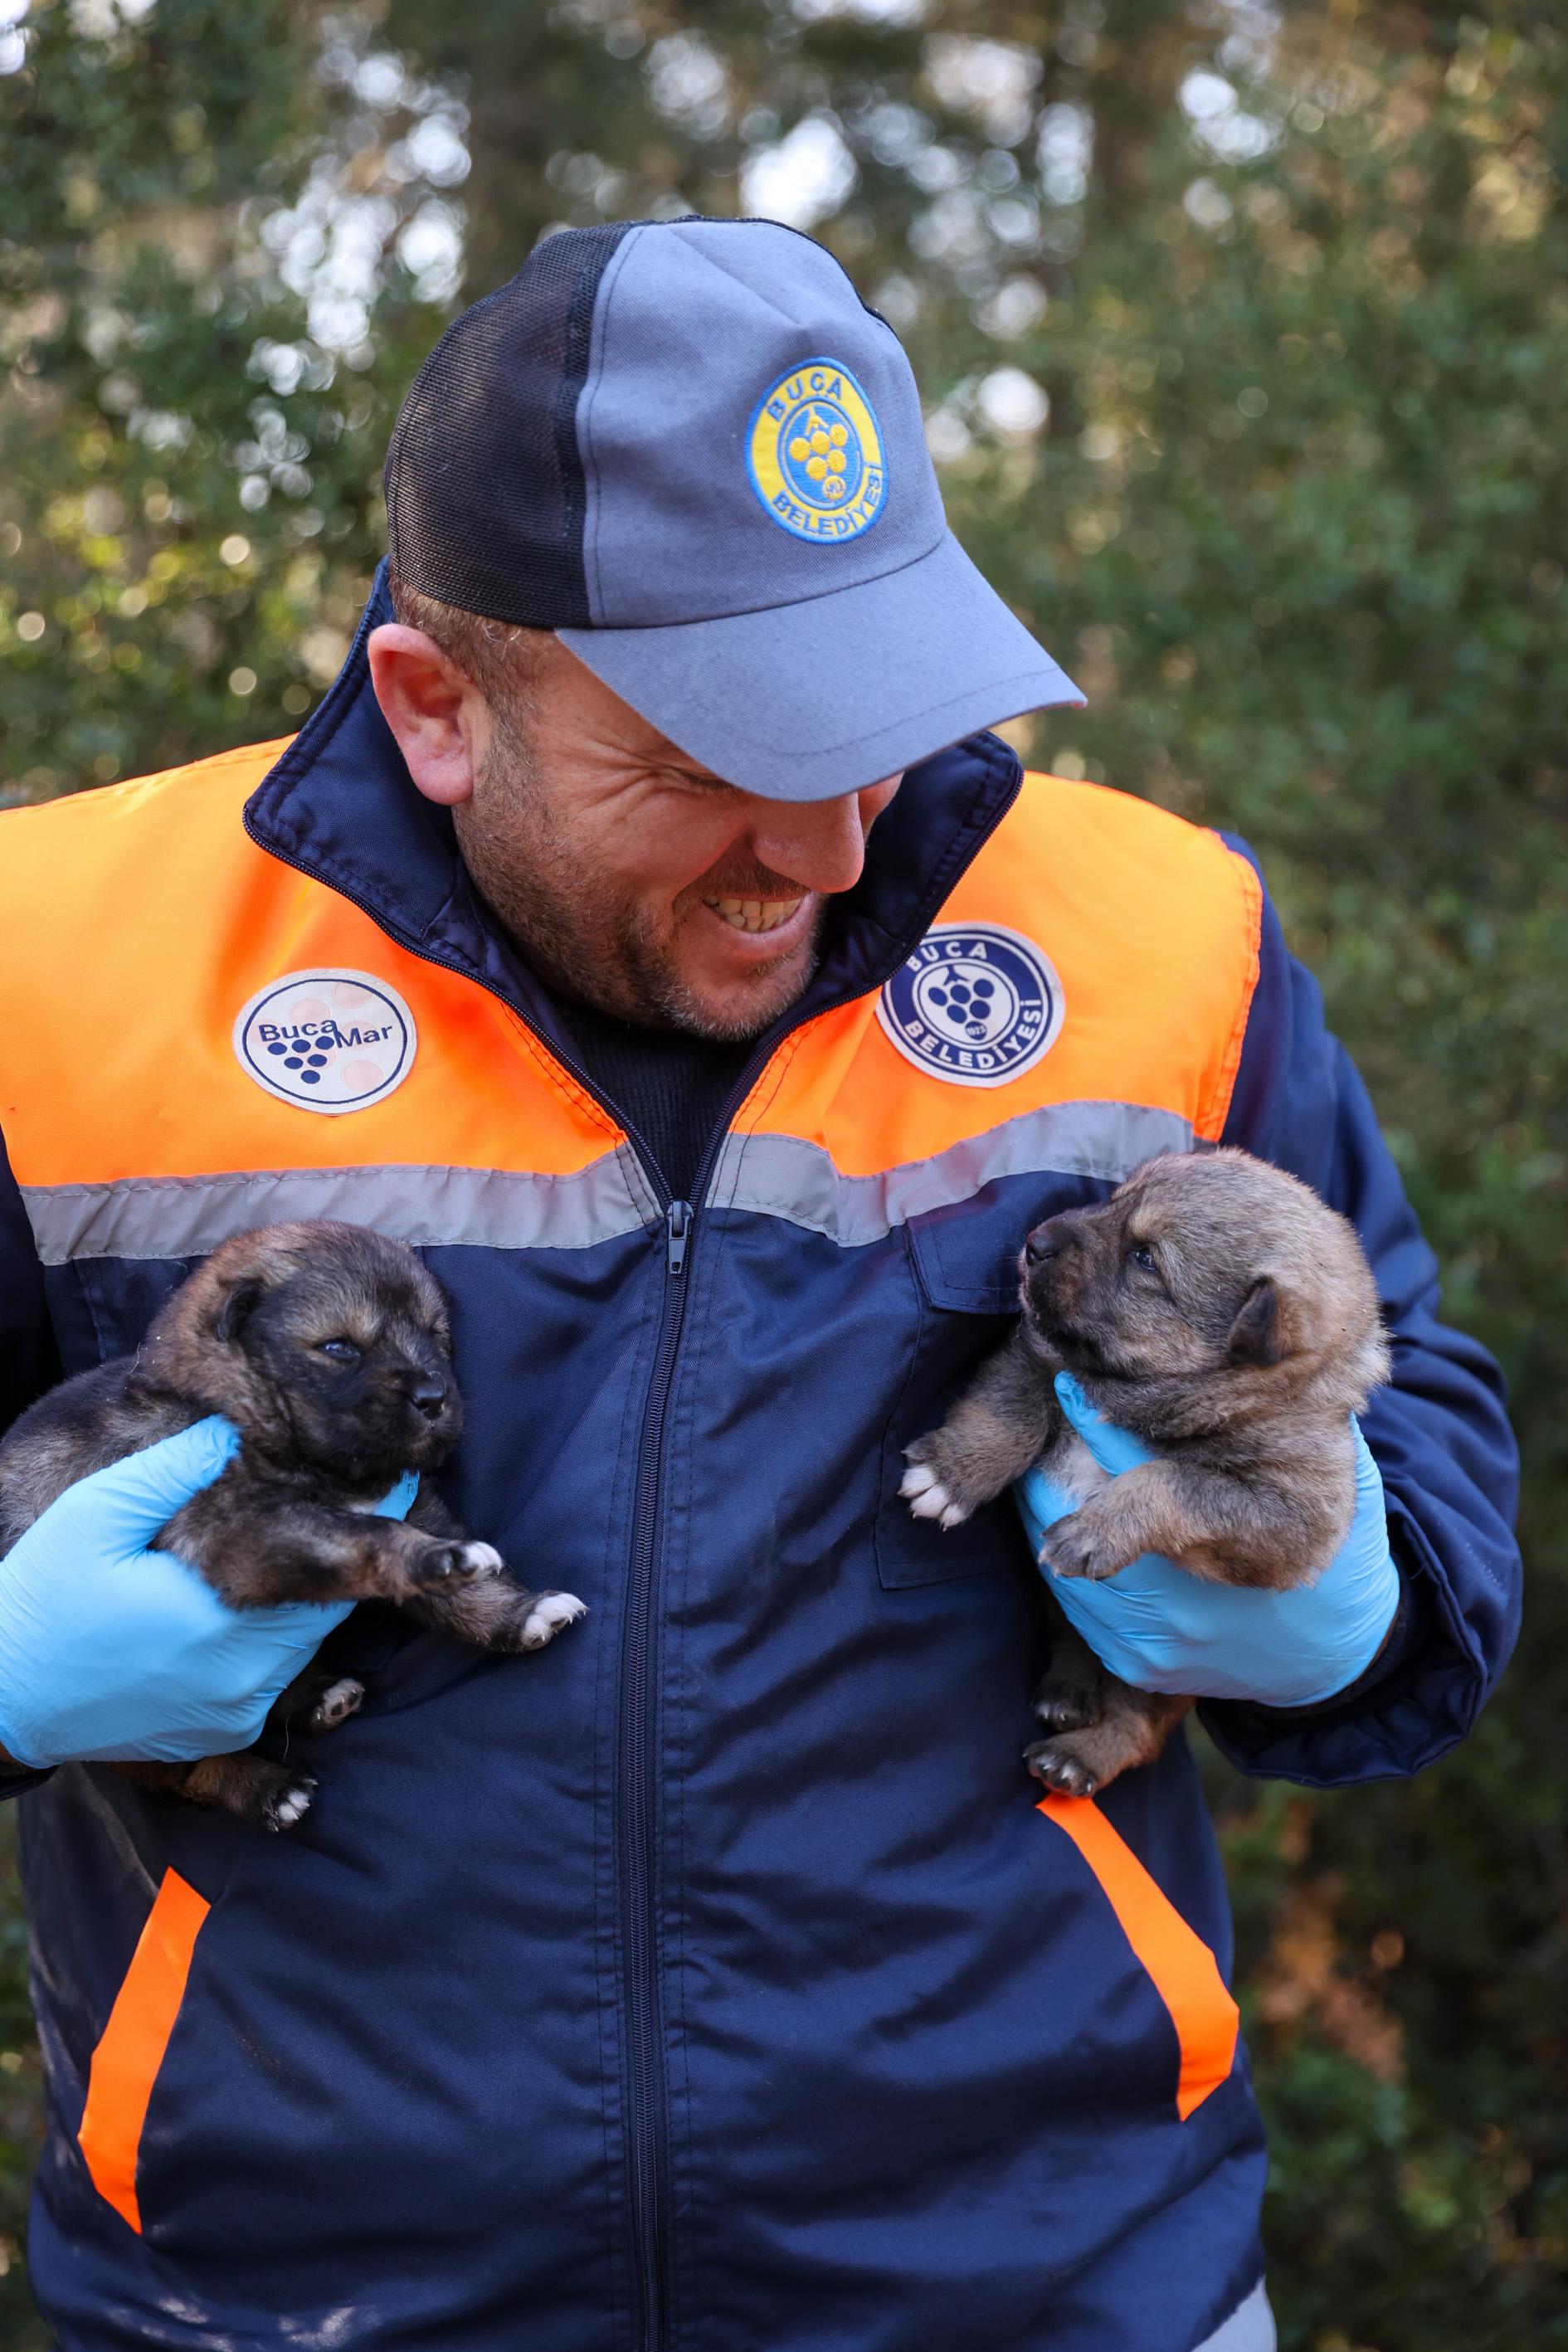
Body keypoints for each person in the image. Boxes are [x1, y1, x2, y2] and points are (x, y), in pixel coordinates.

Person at [0, 219, 1519, 2352]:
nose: (820, 848)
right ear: (439, 709)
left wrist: (1371, 1578)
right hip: (289, 2304)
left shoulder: (1164, 940)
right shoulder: (57, 965)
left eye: (864, 723)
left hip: (1056, 2290)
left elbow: (1415, 1392)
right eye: (708, 758)